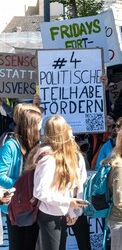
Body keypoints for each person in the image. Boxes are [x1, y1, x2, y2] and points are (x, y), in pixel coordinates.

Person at [33, 115, 89, 250]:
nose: (70, 130)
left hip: (60, 213)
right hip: (50, 215)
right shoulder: (49, 158)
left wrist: (71, 211)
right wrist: (68, 203)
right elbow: (40, 191)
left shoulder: (61, 155)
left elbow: (69, 188)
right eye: (66, 127)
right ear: (61, 133)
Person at [0, 105, 42, 250]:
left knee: (31, 245)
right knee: (17, 246)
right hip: (15, 205)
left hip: (34, 205)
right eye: (38, 124)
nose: (40, 128)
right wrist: (23, 187)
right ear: (31, 126)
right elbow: (0, 176)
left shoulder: (38, 146)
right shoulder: (11, 146)